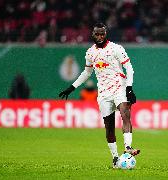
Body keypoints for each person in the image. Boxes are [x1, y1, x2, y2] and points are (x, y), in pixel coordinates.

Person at [59, 22, 140, 168]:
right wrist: (72, 87)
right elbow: (87, 73)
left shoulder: (116, 48)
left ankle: (128, 148)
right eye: (97, 34)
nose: (100, 36)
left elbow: (129, 68)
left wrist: (129, 88)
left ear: (106, 33)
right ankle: (115, 158)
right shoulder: (90, 53)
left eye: (102, 33)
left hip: (119, 88)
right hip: (103, 93)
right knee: (109, 128)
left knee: (125, 112)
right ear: (93, 34)